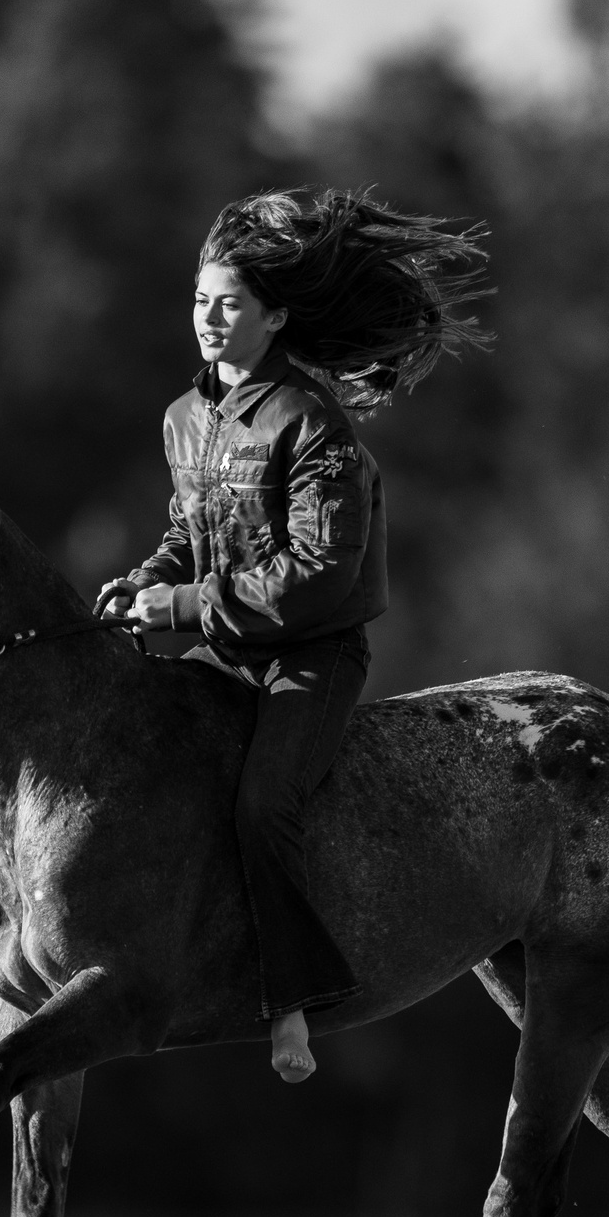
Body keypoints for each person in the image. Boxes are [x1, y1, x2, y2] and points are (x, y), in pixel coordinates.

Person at [95, 188, 490, 1083]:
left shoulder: (315, 425)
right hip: (224, 650)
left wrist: (181, 607)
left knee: (261, 804)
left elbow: (319, 579)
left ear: (273, 316)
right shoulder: (182, 419)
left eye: (228, 303)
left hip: (313, 656)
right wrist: (147, 582)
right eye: (199, 299)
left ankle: (292, 1002)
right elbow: (183, 535)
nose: (207, 318)